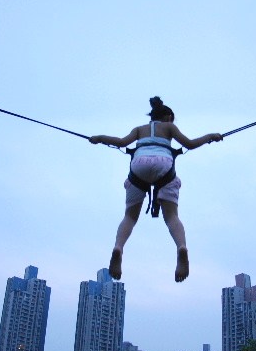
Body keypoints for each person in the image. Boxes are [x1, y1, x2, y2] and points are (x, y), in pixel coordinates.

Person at [89, 96, 223, 282]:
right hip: (164, 166)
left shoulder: (139, 129)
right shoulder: (169, 127)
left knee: (129, 217)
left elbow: (120, 142)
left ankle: (118, 248)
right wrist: (211, 137)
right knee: (172, 217)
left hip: (138, 166)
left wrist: (98, 138)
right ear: (168, 117)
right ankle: (181, 247)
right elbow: (190, 144)